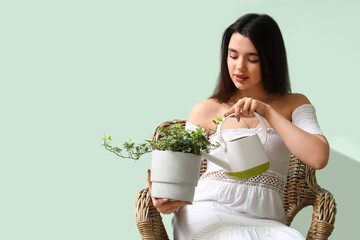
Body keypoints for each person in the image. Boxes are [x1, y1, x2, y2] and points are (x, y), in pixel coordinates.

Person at [147, 13, 329, 239]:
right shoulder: (206, 110)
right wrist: (163, 194)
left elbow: (318, 157)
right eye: (232, 56)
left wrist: (267, 112)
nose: (239, 67)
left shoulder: (294, 104)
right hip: (208, 213)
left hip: (267, 222)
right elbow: (182, 171)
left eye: (252, 59)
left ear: (271, 60)